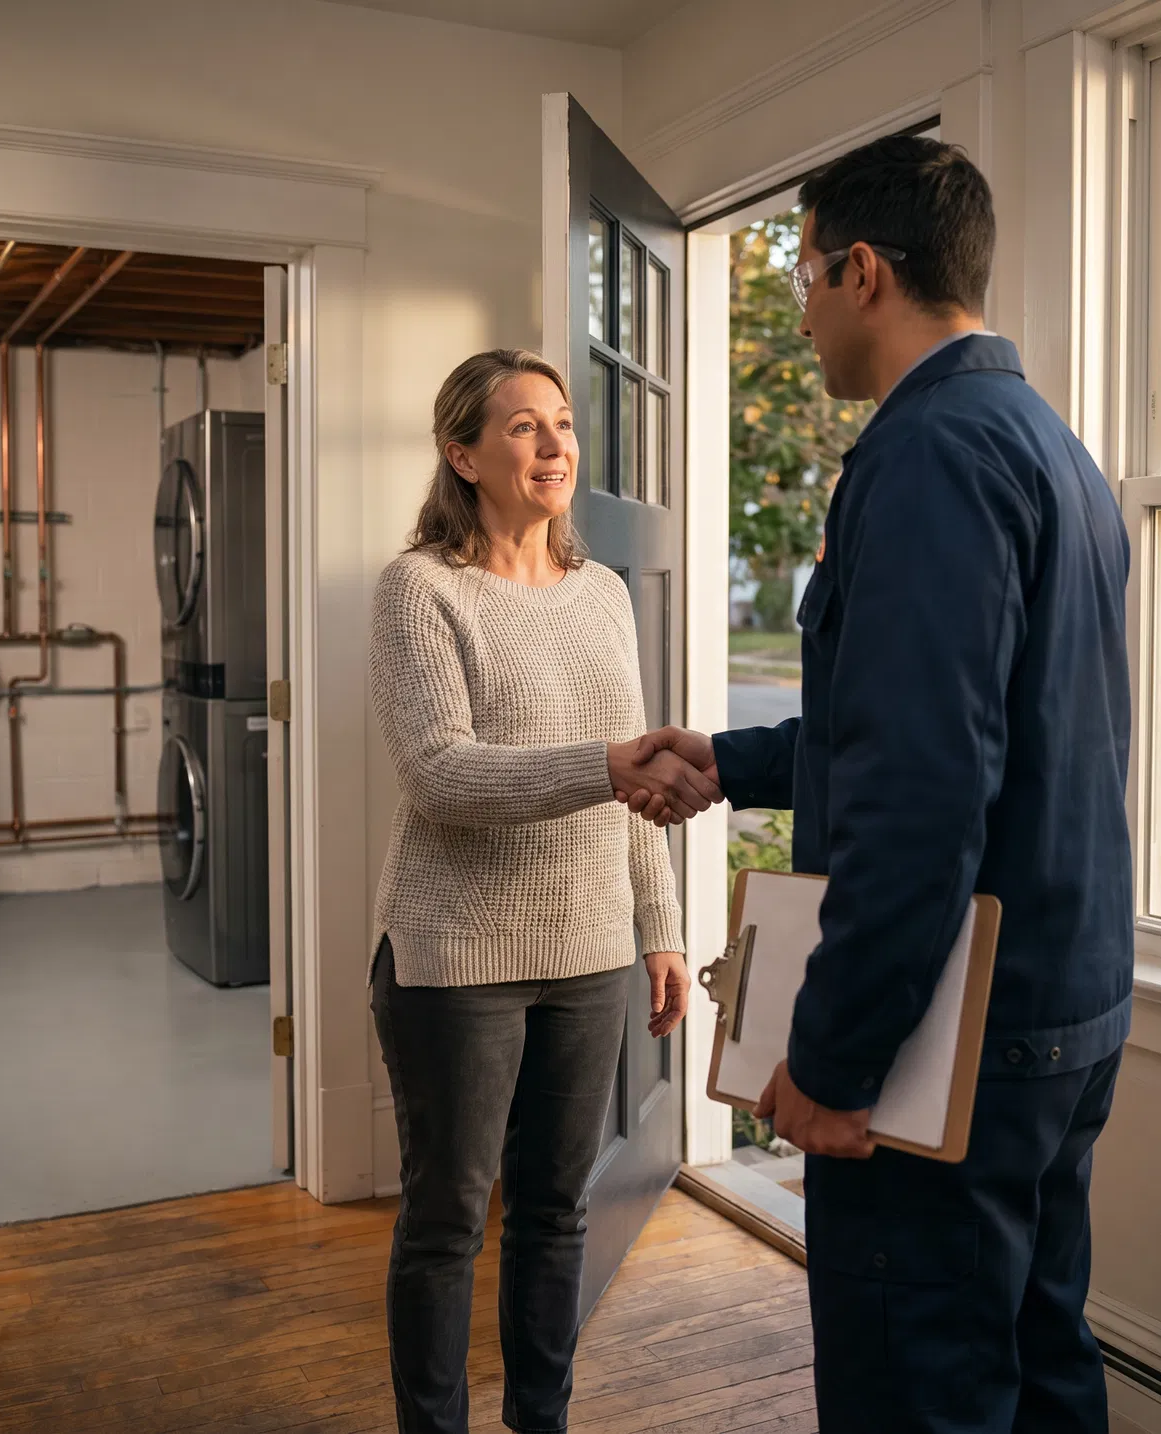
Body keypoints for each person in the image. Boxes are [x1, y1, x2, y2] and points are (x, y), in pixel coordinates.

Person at [616, 137, 1133, 1432]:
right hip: (1065, 1015)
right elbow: (954, 731)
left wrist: (830, 1061)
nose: (798, 315)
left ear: (862, 270)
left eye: (802, 277)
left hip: (952, 1042)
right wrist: (728, 760)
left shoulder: (925, 458)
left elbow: (924, 796)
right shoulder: (1051, 449)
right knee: (1039, 1365)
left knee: (921, 1394)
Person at [367, 348, 718, 1434]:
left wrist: (660, 928)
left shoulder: (605, 593)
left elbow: (641, 778)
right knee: (446, 1222)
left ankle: (541, 1422)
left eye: (561, 423)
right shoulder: (420, 588)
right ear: (462, 452)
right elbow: (441, 774)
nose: (555, 444)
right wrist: (603, 765)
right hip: (454, 958)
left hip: (590, 952)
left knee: (557, 1215)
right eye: (522, 427)